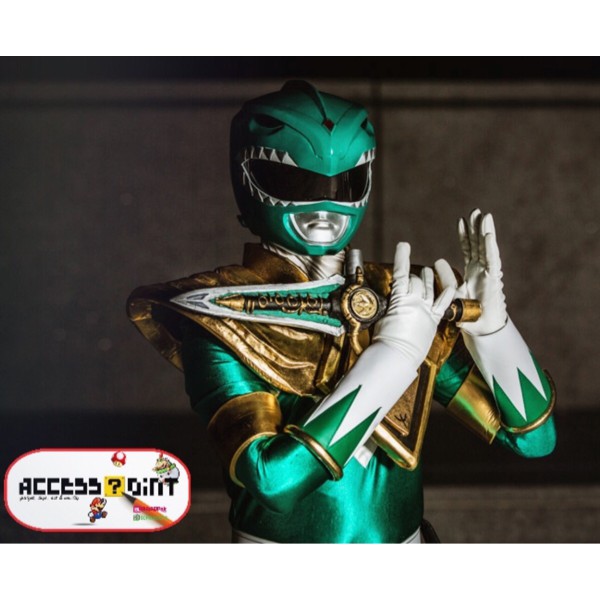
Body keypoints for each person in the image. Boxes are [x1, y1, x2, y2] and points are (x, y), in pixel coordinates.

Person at [127, 80, 556, 543]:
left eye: (343, 183)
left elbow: (534, 440)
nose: (325, 206)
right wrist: (393, 357)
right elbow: (273, 481)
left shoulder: (401, 297)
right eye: (296, 182)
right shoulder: (221, 319)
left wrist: (494, 332)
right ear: (249, 176)